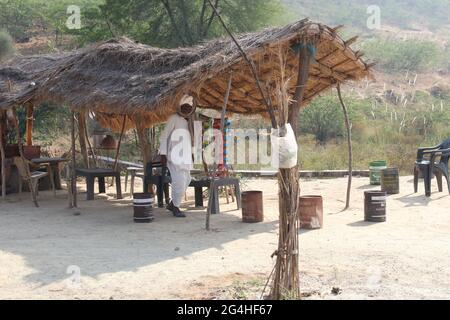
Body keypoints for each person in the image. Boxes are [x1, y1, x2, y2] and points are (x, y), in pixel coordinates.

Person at [159, 97, 195, 218]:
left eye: (189, 107)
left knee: (187, 180)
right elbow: (164, 135)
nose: (187, 109)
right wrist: (162, 154)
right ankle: (176, 207)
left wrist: (192, 154)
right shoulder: (174, 118)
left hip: (185, 157)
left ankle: (172, 204)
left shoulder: (190, 121)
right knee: (179, 181)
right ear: (180, 107)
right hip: (174, 156)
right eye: (185, 106)